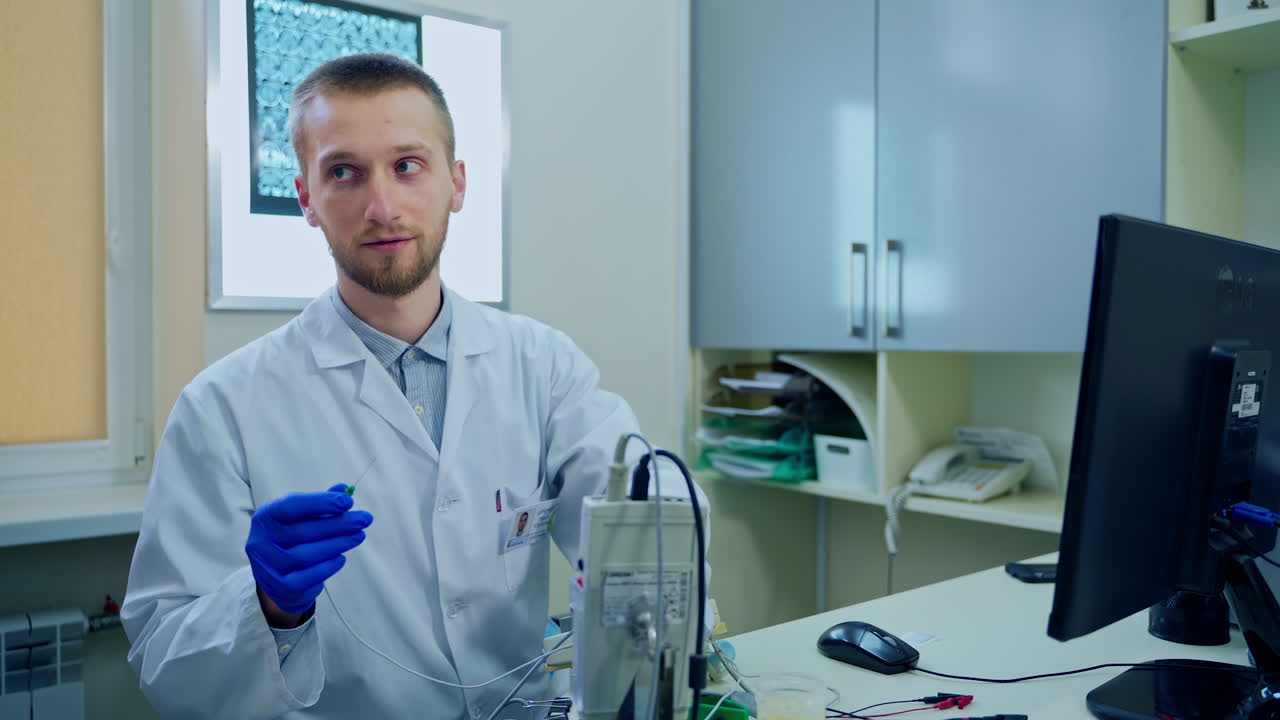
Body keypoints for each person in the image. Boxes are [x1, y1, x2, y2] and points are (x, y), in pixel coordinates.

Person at [122, 53, 703, 720]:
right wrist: (269, 606)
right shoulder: (221, 407)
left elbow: (639, 528)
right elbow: (166, 667)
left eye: (407, 166)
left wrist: (664, 556)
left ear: (457, 182)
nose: (382, 206)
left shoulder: (544, 367)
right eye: (344, 172)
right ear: (306, 199)